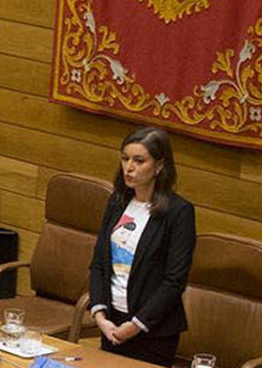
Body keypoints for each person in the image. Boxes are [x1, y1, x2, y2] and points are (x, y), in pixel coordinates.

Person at [88, 127, 196, 367]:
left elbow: (174, 280)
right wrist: (100, 315)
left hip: (152, 331)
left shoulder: (178, 213)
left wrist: (136, 325)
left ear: (159, 166)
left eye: (139, 160)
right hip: (112, 323)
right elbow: (99, 263)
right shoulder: (117, 201)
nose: (129, 167)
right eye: (125, 158)